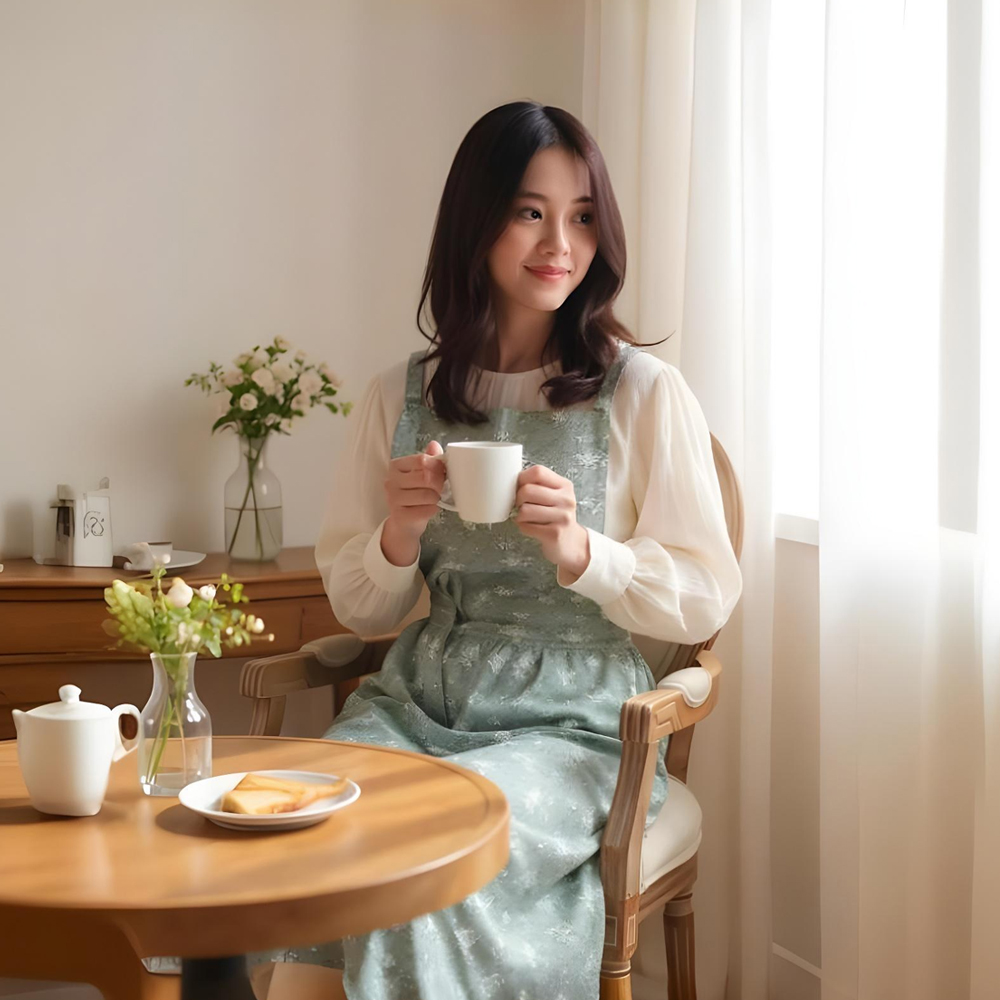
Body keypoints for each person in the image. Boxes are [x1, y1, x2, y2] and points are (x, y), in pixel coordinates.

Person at [256, 100, 742, 1000]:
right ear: (475, 221)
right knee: (306, 840)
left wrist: (584, 551)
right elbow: (359, 608)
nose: (561, 240)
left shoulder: (642, 393)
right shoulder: (395, 395)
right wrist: (398, 534)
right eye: (530, 211)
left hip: (574, 725)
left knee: (425, 864)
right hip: (414, 703)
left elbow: (706, 594)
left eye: (583, 214)